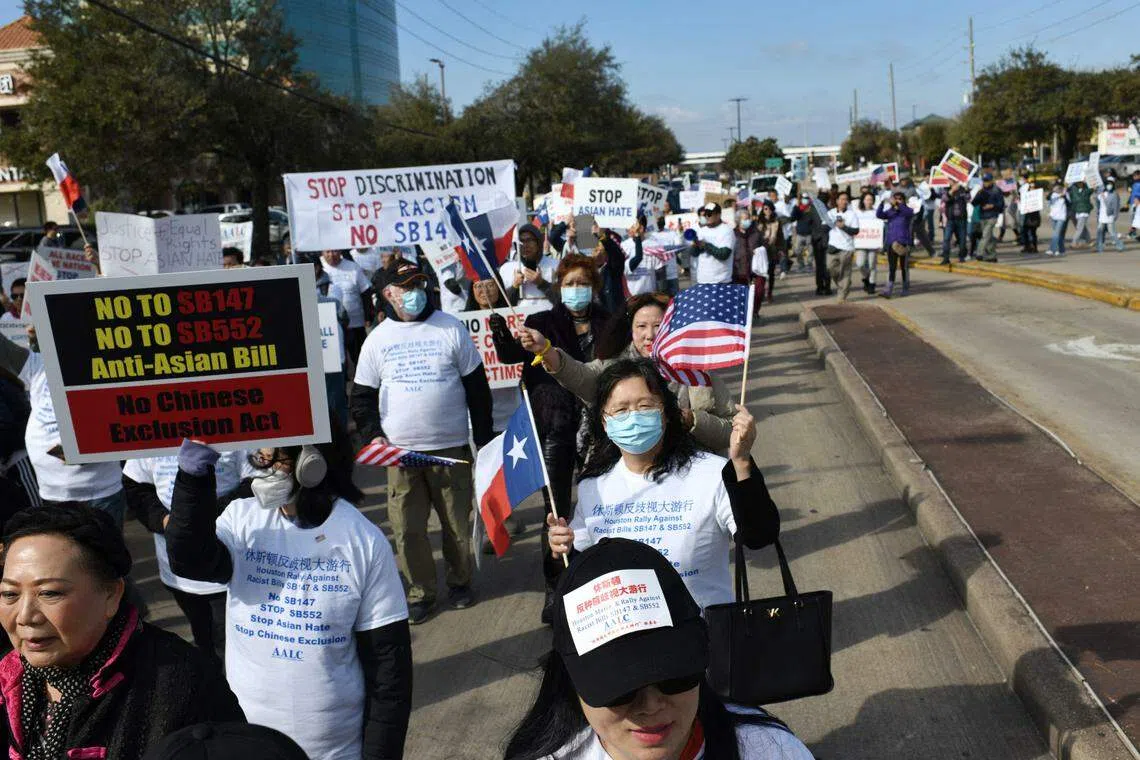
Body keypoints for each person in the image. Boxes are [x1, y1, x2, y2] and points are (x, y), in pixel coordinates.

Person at [166, 430, 412, 760]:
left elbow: (389, 672)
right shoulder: (242, 518)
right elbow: (190, 561)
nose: (262, 470)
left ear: (311, 462)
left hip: (335, 751)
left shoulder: (363, 542)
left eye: (274, 459)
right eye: (259, 458)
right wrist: (193, 479)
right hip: (247, 745)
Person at [504, 538, 813, 759]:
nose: (651, 706)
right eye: (619, 689)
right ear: (571, 683)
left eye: (674, 676)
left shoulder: (773, 750)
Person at [0, 506, 245, 758]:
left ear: (111, 594)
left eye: (49, 593)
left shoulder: (183, 687)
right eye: (10, 594)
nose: (25, 616)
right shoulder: (9, 679)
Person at [547, 358, 779, 610]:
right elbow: (581, 572)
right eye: (621, 410)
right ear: (604, 421)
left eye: (645, 406)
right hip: (626, 639)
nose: (633, 417)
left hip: (704, 638)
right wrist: (562, 551)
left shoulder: (711, 473)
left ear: (666, 413)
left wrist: (742, 462)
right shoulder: (593, 486)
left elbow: (759, 536)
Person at [351, 257, 493, 623]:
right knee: (408, 529)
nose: (416, 293)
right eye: (407, 288)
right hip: (400, 455)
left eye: (419, 285)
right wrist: (374, 438)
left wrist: (484, 438)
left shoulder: (450, 328)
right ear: (388, 294)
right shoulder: (377, 340)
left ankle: (460, 582)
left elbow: (477, 388)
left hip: (450, 448)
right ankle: (420, 592)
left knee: (457, 524)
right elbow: (362, 397)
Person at [490, 255, 610, 623]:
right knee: (556, 511)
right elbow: (513, 354)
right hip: (553, 424)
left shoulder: (609, 323)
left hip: (600, 429)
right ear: (559, 287)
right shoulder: (542, 321)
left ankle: (604, 579)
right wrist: (500, 330)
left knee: (601, 505)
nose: (576, 290)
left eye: (582, 283)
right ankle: (555, 588)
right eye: (570, 283)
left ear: (594, 286)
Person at [519, 292, 734, 453]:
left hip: (690, 469)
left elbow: (730, 431)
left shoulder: (697, 371)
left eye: (658, 325)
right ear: (630, 330)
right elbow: (581, 376)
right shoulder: (614, 366)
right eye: (641, 326)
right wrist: (546, 350)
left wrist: (692, 420)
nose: (649, 335)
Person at [123, 451, 246, 659]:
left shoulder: (232, 431)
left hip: (229, 574)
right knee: (204, 640)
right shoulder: (151, 436)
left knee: (229, 644)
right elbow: (136, 485)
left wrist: (197, 519)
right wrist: (166, 521)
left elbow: (254, 484)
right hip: (178, 578)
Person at [21, 326, 126, 526]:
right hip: (53, 494)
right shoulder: (40, 366)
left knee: (102, 555)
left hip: (101, 494)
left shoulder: (107, 366)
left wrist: (75, 453)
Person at [320, 249, 374, 366]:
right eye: (327, 252)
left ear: (340, 251)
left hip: (355, 323)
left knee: (360, 358)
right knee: (338, 362)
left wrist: (368, 316)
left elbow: (365, 292)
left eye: (334, 251)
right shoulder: (319, 268)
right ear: (322, 253)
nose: (331, 255)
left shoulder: (353, 267)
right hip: (331, 325)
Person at [501, 224, 558, 307]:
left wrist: (542, 283)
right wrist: (515, 286)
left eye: (529, 240)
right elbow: (502, 305)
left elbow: (563, 299)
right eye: (521, 241)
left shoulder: (556, 265)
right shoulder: (507, 268)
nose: (525, 245)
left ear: (538, 242)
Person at [877, 191, 915, 298]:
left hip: (903, 243)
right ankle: (889, 289)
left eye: (899, 199)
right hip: (891, 242)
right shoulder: (890, 212)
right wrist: (881, 203)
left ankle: (905, 287)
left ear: (903, 200)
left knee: (904, 267)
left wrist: (898, 205)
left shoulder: (907, 211)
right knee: (892, 267)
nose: (897, 201)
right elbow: (879, 215)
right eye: (895, 199)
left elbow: (908, 212)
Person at [688, 203, 735, 285]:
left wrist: (705, 245)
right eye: (705, 214)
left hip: (721, 280)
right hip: (702, 280)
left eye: (709, 214)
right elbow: (694, 254)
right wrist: (695, 245)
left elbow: (724, 254)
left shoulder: (727, 230)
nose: (706, 217)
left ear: (718, 215)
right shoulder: (701, 230)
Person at [826, 191, 860, 303]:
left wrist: (843, 227)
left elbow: (855, 231)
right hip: (833, 247)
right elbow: (823, 228)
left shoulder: (852, 214)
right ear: (837, 201)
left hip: (847, 248)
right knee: (831, 269)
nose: (844, 201)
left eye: (846, 199)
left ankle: (842, 295)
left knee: (845, 272)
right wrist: (829, 223)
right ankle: (844, 285)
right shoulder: (830, 213)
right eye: (842, 199)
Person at [621, 217, 666, 297]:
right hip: (631, 297)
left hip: (649, 295)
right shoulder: (623, 246)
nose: (628, 228)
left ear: (641, 228)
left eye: (632, 226)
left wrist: (661, 294)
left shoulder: (654, 245)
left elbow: (660, 272)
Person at [971, 173, 1005, 262]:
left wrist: (992, 206)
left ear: (991, 181)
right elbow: (974, 203)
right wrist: (978, 194)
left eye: (987, 181)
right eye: (984, 181)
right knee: (988, 236)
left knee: (985, 235)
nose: (985, 183)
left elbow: (1001, 204)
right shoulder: (981, 191)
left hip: (992, 216)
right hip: (983, 216)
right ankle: (992, 255)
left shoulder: (997, 190)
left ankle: (979, 253)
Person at [756, 201, 784, 300]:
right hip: (761, 251)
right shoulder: (759, 221)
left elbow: (780, 236)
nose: (768, 211)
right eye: (765, 209)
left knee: (771, 273)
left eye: (769, 209)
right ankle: (761, 291)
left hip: (772, 250)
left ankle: (770, 292)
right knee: (762, 272)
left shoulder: (776, 221)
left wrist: (781, 249)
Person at [855, 192, 879, 293]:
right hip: (860, 243)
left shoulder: (876, 212)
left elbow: (880, 227)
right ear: (863, 200)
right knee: (860, 264)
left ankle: (872, 284)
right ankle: (866, 277)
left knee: (872, 264)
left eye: (871, 200)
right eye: (867, 199)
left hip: (873, 242)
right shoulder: (857, 212)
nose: (869, 201)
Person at [731, 207, 761, 285]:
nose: (747, 221)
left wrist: (759, 251)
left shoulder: (755, 232)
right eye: (745, 219)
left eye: (748, 219)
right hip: (739, 270)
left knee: (757, 293)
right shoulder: (733, 234)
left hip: (754, 268)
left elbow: (764, 245)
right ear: (738, 220)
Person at [788, 193, 815, 273]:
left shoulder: (811, 209)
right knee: (797, 251)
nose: (805, 200)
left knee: (810, 252)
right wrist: (796, 207)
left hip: (810, 234)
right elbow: (792, 218)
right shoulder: (798, 209)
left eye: (806, 198)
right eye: (803, 198)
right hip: (800, 234)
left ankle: (809, 266)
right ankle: (801, 265)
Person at [1096, 180, 1125, 253]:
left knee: (1112, 233)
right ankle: (1099, 248)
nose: (1109, 186)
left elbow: (1115, 206)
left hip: (1109, 216)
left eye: (1111, 184)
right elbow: (1097, 199)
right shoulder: (1101, 194)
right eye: (1108, 184)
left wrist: (1115, 215)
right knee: (1099, 232)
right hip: (1101, 217)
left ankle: (1120, 246)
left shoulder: (1114, 194)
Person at [1046, 183, 1069, 257]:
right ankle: (1061, 249)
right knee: (1058, 234)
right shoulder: (1052, 195)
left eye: (1058, 188)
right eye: (1055, 188)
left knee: (1056, 234)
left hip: (1061, 217)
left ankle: (1052, 249)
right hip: (1053, 217)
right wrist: (1059, 196)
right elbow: (1051, 202)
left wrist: (1065, 195)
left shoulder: (1065, 195)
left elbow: (1069, 203)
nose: (1056, 189)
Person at [1069, 180, 1093, 248]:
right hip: (1077, 211)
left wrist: (1088, 182)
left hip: (1084, 212)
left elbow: (1092, 189)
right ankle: (1089, 240)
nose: (1080, 184)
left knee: (1079, 228)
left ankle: (1074, 242)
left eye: (1081, 182)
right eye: (1078, 183)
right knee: (1082, 227)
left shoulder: (1086, 189)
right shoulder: (1074, 190)